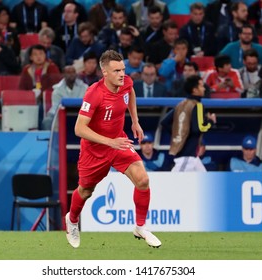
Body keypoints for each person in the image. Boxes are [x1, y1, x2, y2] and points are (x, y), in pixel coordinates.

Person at [65, 50, 161, 248]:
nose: (121, 74)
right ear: (105, 72)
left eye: (123, 69)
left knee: (143, 180)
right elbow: (79, 128)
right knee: (85, 191)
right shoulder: (94, 93)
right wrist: (109, 142)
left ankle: (140, 227)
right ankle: (72, 220)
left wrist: (135, 120)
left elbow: (131, 93)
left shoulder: (126, 82)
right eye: (116, 70)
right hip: (95, 151)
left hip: (119, 143)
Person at [161, 75, 216, 172]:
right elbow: (199, 128)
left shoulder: (180, 104)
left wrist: (179, 134)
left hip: (191, 156)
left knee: (204, 181)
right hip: (187, 156)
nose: (204, 88)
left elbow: (164, 122)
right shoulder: (198, 105)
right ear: (194, 90)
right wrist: (211, 121)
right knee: (173, 184)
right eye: (202, 86)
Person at [42, 65, 88, 130]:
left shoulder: (85, 87)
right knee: (47, 121)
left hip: (80, 115)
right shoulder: (57, 90)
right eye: (69, 72)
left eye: (73, 72)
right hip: (61, 116)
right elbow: (56, 108)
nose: (72, 74)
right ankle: (52, 139)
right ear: (63, 75)